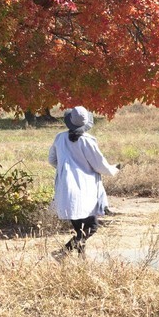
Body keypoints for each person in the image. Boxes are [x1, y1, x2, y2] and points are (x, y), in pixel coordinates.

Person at [48, 106, 119, 256]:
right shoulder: (88, 141)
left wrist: (64, 170)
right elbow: (99, 165)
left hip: (66, 188)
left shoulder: (60, 138)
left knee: (79, 228)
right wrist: (114, 169)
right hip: (85, 190)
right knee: (91, 227)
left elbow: (52, 160)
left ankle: (81, 261)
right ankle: (63, 252)